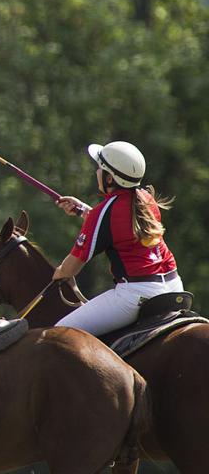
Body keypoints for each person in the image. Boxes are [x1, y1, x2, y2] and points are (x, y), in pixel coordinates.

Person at [53, 141, 181, 336]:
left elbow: (72, 267)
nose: (96, 172)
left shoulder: (103, 214)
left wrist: (59, 273)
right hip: (173, 286)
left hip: (137, 295)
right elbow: (117, 226)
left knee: (58, 335)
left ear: (110, 179)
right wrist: (83, 210)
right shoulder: (146, 199)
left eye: (99, 168)